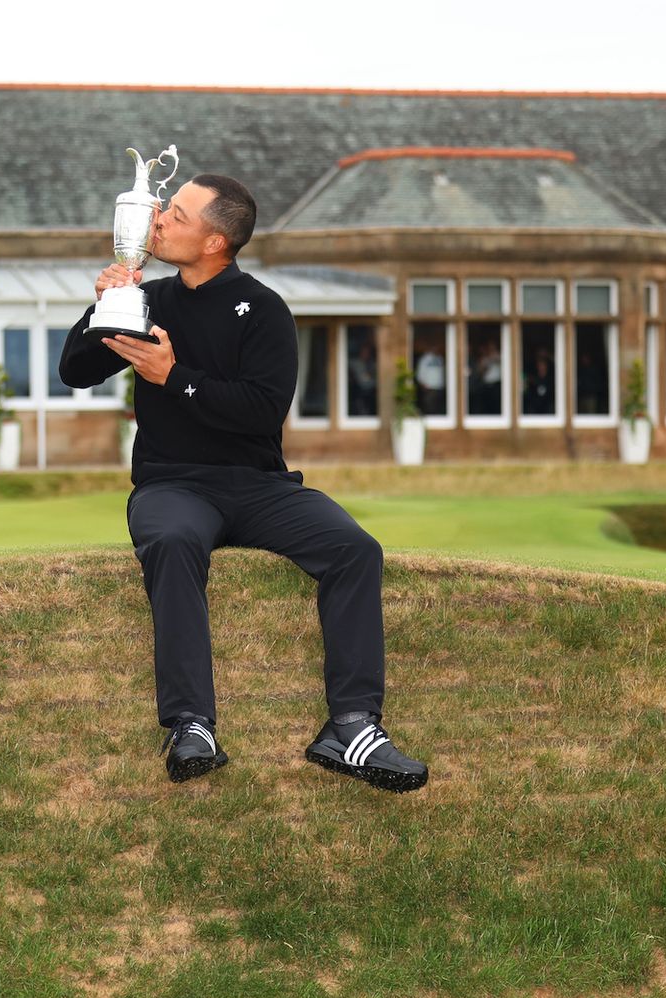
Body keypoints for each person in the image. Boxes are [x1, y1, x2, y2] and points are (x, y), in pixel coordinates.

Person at [57, 173, 428, 792]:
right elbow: (75, 371)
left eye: (176, 215)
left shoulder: (264, 309)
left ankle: (353, 729)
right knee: (173, 543)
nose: (159, 221)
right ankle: (191, 725)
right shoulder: (147, 300)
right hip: (172, 485)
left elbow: (260, 410)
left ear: (214, 241)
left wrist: (173, 376)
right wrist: (104, 305)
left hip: (261, 488)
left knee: (355, 549)